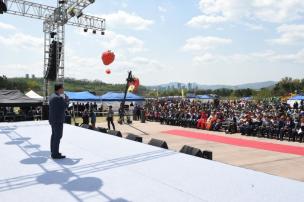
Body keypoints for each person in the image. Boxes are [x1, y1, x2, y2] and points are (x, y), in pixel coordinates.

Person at [49, 83, 69, 159]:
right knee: (58, 136)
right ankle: (55, 154)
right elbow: (66, 106)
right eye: (63, 88)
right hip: (58, 120)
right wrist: (67, 100)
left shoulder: (51, 96)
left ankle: (53, 151)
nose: (63, 90)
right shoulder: (59, 98)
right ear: (60, 89)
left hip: (52, 119)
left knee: (54, 135)